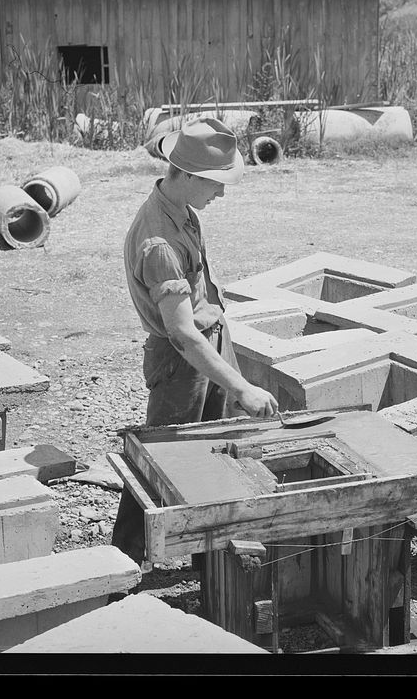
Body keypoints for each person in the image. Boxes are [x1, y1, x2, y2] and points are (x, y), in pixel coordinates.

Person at [111, 117, 279, 565]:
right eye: (215, 183)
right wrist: (241, 387)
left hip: (207, 344)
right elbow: (182, 334)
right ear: (184, 174)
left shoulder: (181, 208)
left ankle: (212, 557)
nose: (221, 193)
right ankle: (121, 567)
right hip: (183, 362)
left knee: (215, 454)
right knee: (160, 463)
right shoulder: (158, 241)